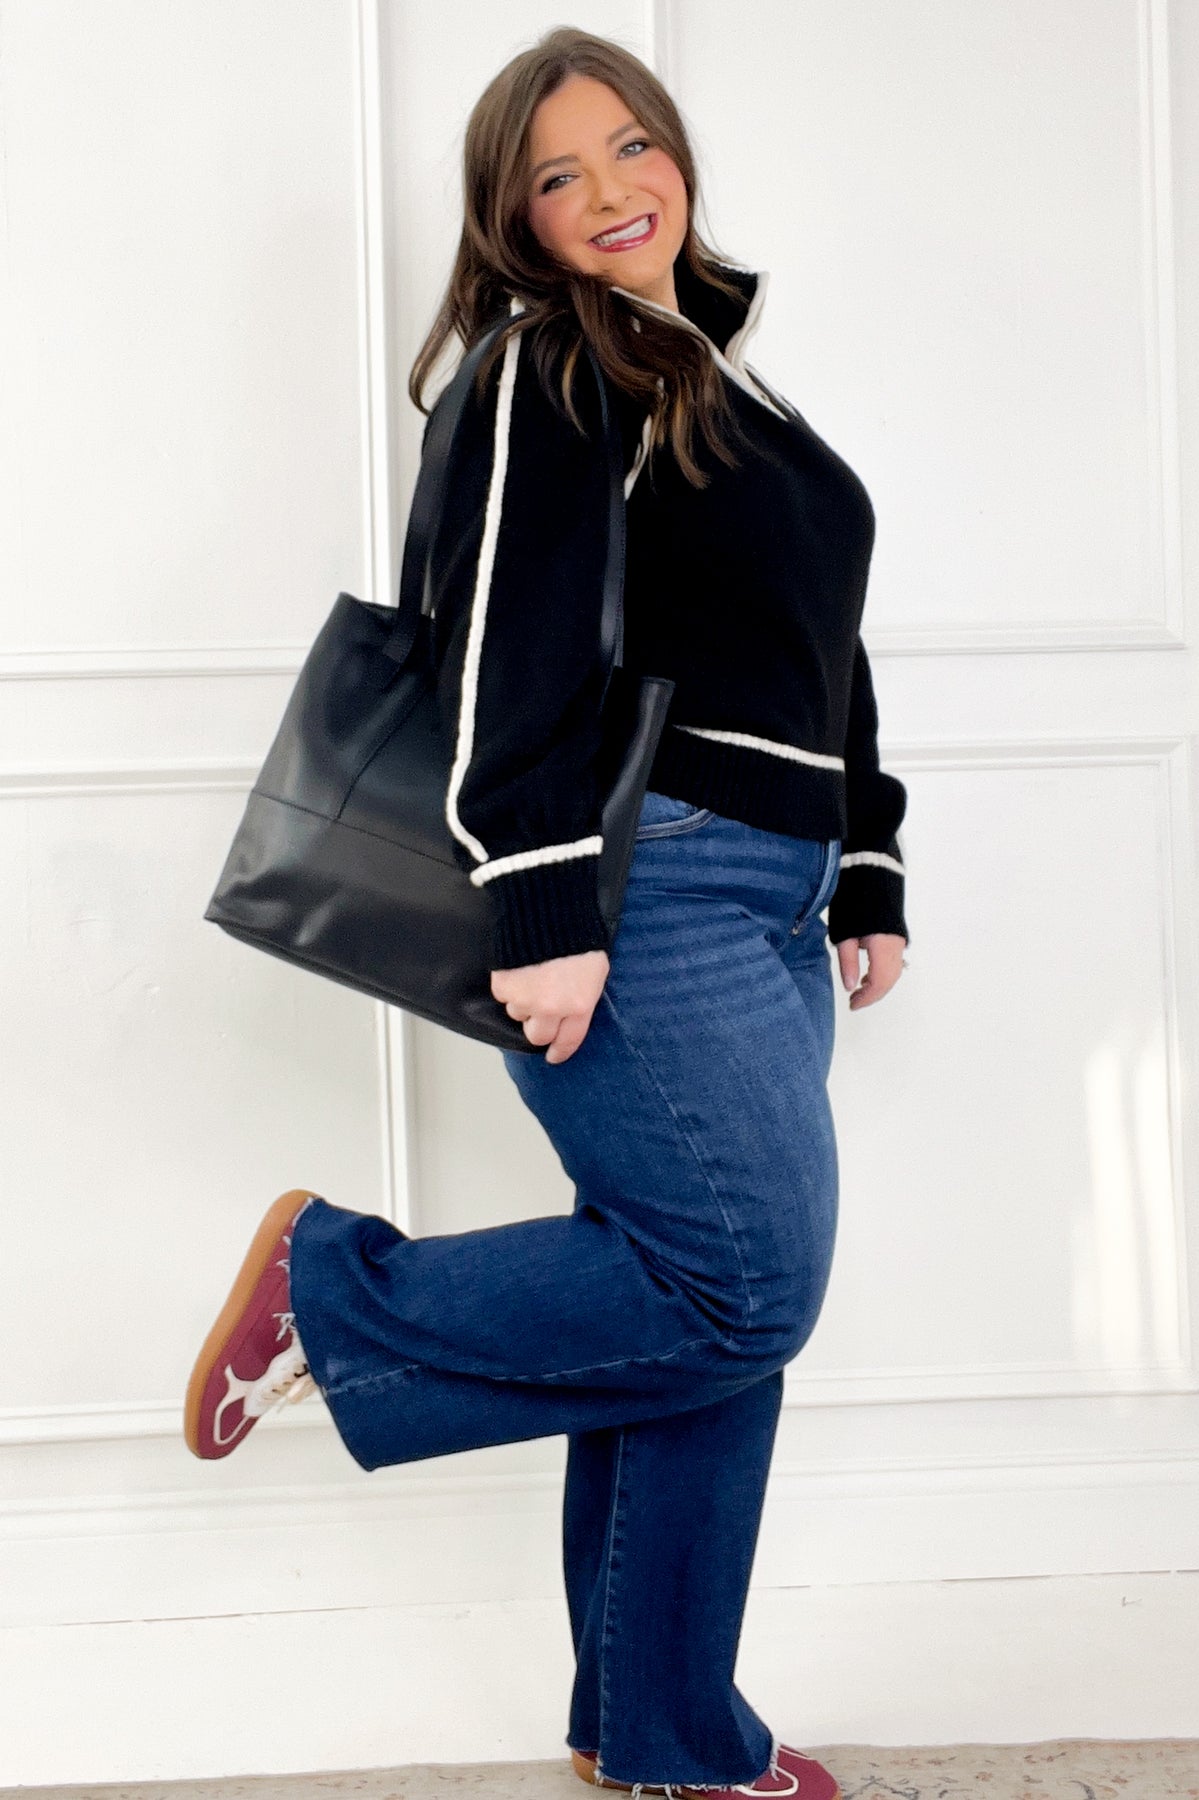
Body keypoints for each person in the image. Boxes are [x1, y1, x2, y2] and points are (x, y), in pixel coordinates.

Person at [184, 27, 910, 1800]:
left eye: (632, 145)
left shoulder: (719, 380)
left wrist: (869, 860)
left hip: (771, 894)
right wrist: (539, 894)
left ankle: (658, 1736)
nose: (611, 190)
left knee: (703, 1322)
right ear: (514, 219)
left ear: (678, 154)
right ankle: (330, 1291)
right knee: (743, 1288)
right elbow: (503, 633)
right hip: (647, 882)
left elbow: (823, 654)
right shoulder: (553, 365)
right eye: (558, 174)